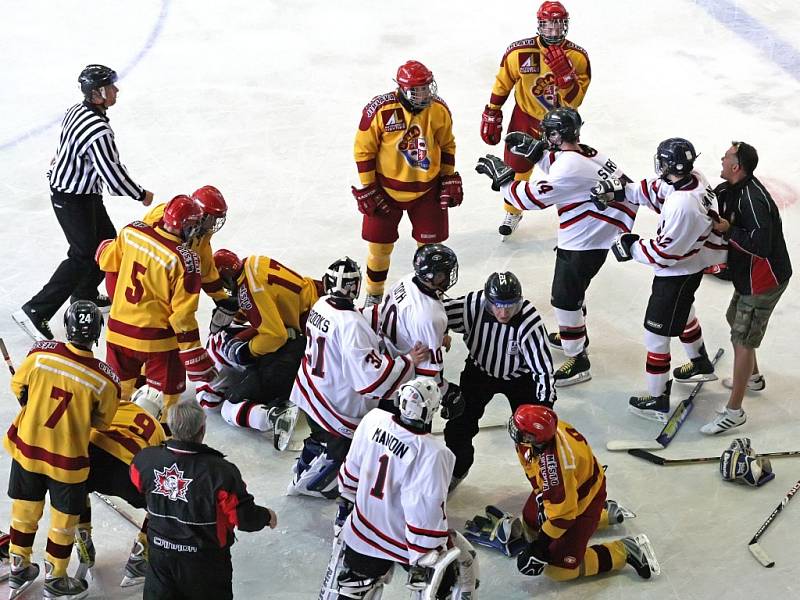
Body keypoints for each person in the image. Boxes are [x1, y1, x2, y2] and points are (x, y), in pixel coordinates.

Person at [476, 107, 637, 386]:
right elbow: (566, 171)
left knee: (564, 297)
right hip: (597, 230)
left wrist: (503, 179)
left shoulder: (571, 165)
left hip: (586, 238)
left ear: (555, 134)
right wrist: (538, 155)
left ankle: (578, 358)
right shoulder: (586, 151)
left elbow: (530, 199)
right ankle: (575, 334)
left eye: (547, 133)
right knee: (574, 291)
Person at [13, 64, 153, 342]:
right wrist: (140, 194)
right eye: (111, 86)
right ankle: (36, 309)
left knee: (107, 244)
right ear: (98, 94)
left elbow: (66, 144)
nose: (116, 90)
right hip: (72, 197)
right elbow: (112, 175)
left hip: (82, 192)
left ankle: (84, 294)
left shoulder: (76, 110)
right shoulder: (98, 130)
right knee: (82, 254)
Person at [591, 138, 727, 420]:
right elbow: (656, 189)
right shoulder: (691, 180)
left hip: (679, 273)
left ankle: (657, 398)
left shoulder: (684, 206)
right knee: (684, 311)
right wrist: (621, 192)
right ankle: (700, 363)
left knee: (656, 336)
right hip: (690, 268)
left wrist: (632, 247)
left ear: (669, 165)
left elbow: (666, 254)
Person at [5, 301, 119, 599]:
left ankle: (19, 566)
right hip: (68, 463)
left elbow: (19, 388)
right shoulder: (105, 380)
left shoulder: (40, 354)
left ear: (67, 327)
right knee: (62, 523)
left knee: (24, 512)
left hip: (27, 448)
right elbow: (103, 422)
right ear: (97, 332)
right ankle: (55, 577)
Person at [286, 257, 427, 498]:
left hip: (309, 390)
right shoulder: (352, 325)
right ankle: (310, 485)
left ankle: (306, 465)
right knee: (342, 455)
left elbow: (350, 321)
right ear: (356, 286)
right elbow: (371, 378)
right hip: (335, 405)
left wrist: (383, 314)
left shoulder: (320, 305)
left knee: (320, 438)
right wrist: (408, 362)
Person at [327, 378, 478, 599]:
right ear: (433, 409)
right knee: (452, 576)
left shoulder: (373, 420)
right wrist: (426, 550)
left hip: (363, 528)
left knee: (354, 585)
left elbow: (352, 472)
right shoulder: (435, 453)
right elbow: (423, 507)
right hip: (403, 541)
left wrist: (348, 502)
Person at [130, 401, 277, 600]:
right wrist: (266, 516)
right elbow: (243, 518)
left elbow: (138, 485)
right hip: (205, 561)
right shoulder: (221, 473)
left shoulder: (144, 460)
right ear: (202, 429)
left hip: (159, 554)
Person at [353, 60, 462, 306]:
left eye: (426, 88)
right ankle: (374, 293)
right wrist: (368, 187)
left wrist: (447, 176)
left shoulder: (438, 110)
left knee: (430, 252)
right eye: (418, 90)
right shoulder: (380, 110)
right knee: (379, 249)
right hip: (385, 192)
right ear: (402, 88)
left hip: (427, 191)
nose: (424, 94)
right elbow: (363, 151)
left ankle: (425, 295)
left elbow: (447, 145)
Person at [96, 194, 217, 415]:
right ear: (186, 226)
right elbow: (182, 317)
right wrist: (194, 356)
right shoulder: (185, 260)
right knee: (165, 404)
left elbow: (106, 259)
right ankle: (161, 441)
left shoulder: (131, 231)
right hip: (156, 343)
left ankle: (113, 437)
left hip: (117, 334)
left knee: (116, 396)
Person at [700, 142, 792, 434]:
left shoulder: (753, 199)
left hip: (763, 280)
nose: (722, 159)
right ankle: (752, 378)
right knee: (734, 320)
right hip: (748, 277)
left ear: (736, 166)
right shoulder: (728, 189)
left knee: (743, 339)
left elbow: (761, 246)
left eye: (727, 156)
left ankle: (734, 411)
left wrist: (729, 231)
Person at [510, 405, 660, 582]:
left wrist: (540, 547)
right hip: (575, 489)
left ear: (534, 437)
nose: (514, 430)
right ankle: (603, 514)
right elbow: (531, 467)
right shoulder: (538, 437)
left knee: (559, 570)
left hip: (584, 499)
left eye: (521, 431)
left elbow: (562, 518)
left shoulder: (556, 469)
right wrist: (540, 496)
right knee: (531, 521)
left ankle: (625, 549)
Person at [480, 2, 591, 238]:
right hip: (526, 117)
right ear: (539, 24)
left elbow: (575, 102)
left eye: (559, 24)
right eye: (548, 25)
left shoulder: (578, 57)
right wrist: (492, 110)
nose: (553, 30)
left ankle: (573, 216)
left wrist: (567, 78)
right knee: (517, 167)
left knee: (567, 170)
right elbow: (503, 82)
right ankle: (513, 211)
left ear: (566, 25)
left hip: (562, 124)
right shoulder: (518, 52)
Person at [443, 271, 556, 490]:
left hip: (520, 379)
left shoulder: (529, 321)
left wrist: (544, 410)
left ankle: (543, 480)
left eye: (510, 306)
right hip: (479, 372)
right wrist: (442, 331)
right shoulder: (473, 306)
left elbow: (543, 371)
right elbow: (436, 312)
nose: (503, 312)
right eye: (497, 305)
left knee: (535, 434)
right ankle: (458, 468)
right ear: (488, 300)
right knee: (458, 427)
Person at [198, 250, 320, 432]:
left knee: (229, 407)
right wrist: (240, 316)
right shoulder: (252, 263)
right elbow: (266, 303)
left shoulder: (248, 292)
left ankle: (271, 415)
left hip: (306, 339)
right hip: (315, 305)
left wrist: (246, 351)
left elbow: (275, 336)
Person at [74, 397, 166, 587]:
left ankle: (83, 534)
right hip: (127, 471)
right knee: (162, 503)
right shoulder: (158, 428)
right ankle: (142, 552)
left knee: (76, 486)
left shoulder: (121, 404)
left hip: (91, 453)